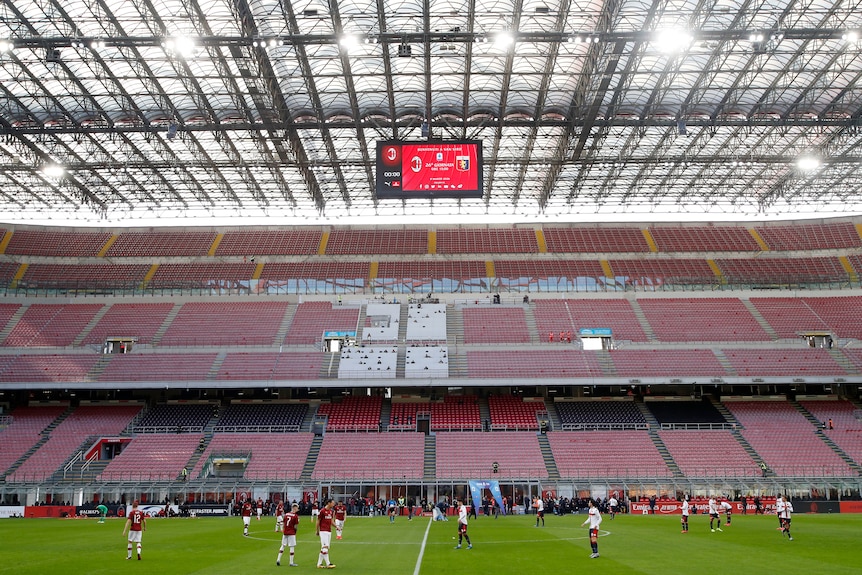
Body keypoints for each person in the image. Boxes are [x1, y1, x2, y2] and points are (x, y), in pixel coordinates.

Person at [315, 499, 336, 569]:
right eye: (332, 503)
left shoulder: (331, 511)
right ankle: (328, 563)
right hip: (323, 531)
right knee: (325, 547)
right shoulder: (322, 511)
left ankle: (319, 564)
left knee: (324, 548)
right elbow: (318, 521)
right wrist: (317, 531)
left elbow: (331, 521)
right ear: (329, 503)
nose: (333, 504)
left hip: (329, 531)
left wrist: (337, 527)